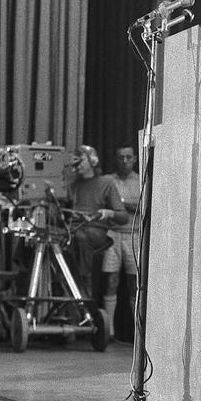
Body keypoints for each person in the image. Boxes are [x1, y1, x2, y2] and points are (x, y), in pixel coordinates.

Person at [68, 145, 128, 299]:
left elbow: (123, 217)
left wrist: (109, 213)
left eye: (80, 161)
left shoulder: (106, 182)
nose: (77, 166)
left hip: (94, 230)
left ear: (93, 161)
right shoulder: (73, 185)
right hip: (73, 228)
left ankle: (83, 288)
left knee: (80, 237)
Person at [101, 145, 140, 339]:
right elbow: (102, 204)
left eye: (128, 157)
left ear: (134, 159)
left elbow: (144, 208)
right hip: (112, 235)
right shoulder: (109, 180)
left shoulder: (142, 180)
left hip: (134, 235)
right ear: (115, 159)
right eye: (120, 157)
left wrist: (120, 204)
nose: (124, 161)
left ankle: (137, 333)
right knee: (111, 281)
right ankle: (108, 331)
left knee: (135, 283)